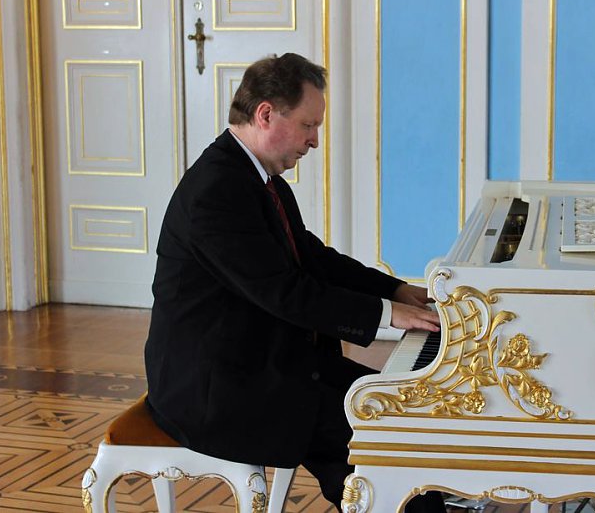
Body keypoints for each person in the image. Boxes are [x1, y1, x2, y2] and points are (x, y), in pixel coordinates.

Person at [144, 53, 446, 511]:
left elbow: (311, 259)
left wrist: (393, 290)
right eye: (309, 125)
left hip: (267, 363)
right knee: (371, 438)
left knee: (392, 412)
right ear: (266, 114)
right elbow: (284, 292)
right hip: (217, 390)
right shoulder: (217, 191)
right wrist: (389, 317)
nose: (315, 141)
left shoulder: (257, 176)